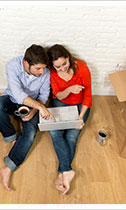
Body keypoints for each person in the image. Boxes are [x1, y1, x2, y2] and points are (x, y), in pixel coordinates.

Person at [0, 44, 55, 191]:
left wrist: (34, 110)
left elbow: (44, 95)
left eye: (43, 68)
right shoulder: (12, 65)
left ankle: (8, 168)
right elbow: (18, 94)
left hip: (32, 104)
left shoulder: (45, 73)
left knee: (30, 133)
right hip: (12, 98)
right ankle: (12, 138)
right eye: (38, 68)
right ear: (26, 63)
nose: (42, 72)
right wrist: (41, 108)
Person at [47, 44, 92, 195]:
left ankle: (63, 172)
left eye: (64, 64)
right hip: (61, 102)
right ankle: (67, 171)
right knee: (54, 133)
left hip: (80, 106)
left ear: (68, 58)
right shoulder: (53, 72)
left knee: (72, 135)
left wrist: (80, 117)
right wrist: (69, 89)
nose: (62, 69)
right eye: (58, 67)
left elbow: (88, 95)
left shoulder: (82, 68)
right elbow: (58, 95)